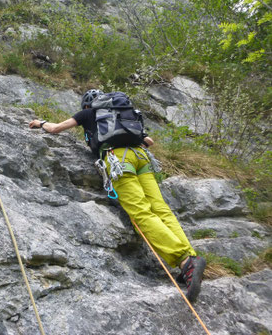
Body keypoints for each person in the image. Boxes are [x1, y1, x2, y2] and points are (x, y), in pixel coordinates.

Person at [28, 89, 206, 302]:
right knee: (161, 209)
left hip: (118, 159)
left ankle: (184, 261)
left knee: (141, 213)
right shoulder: (122, 113)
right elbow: (148, 141)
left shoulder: (88, 113)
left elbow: (56, 128)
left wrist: (41, 123)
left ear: (87, 104)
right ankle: (190, 256)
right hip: (141, 157)